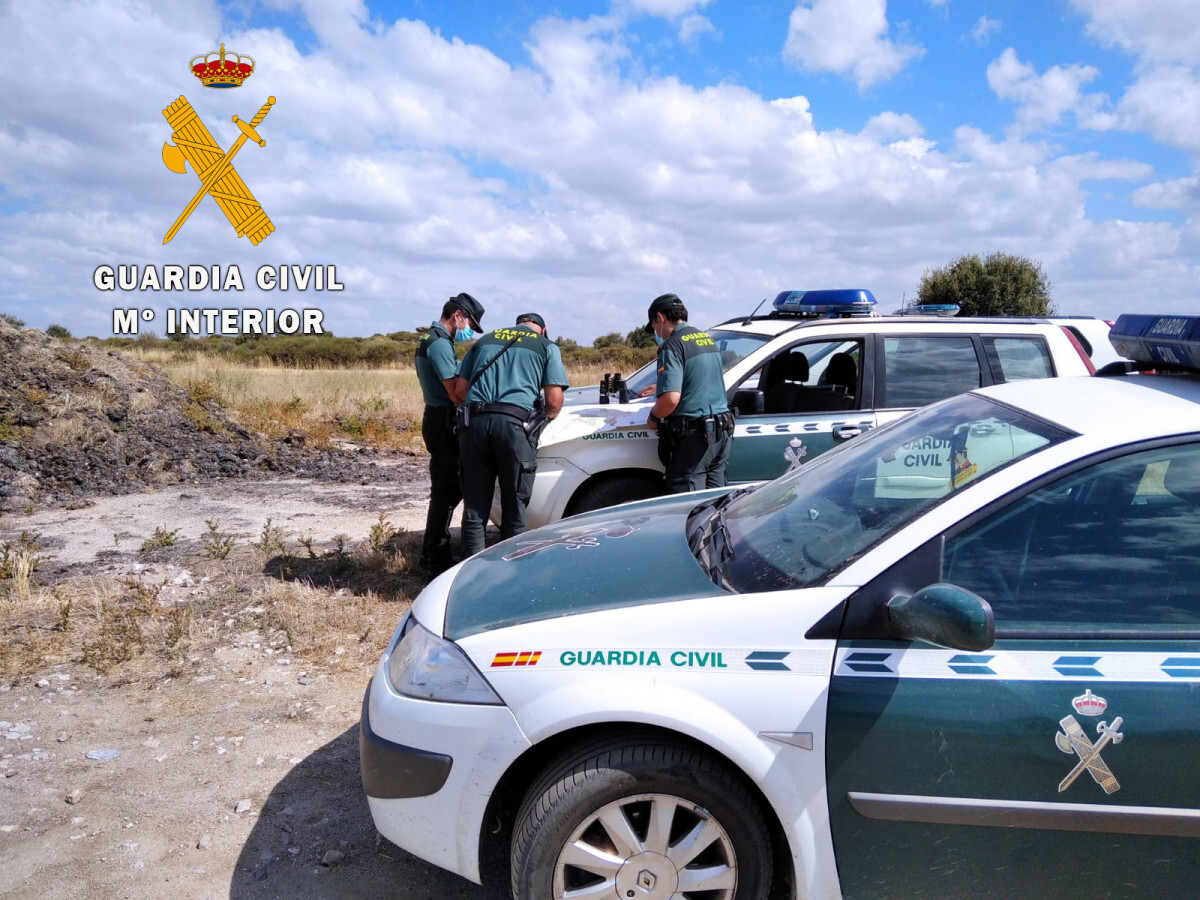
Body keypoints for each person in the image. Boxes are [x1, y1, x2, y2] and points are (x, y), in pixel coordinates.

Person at [454, 312, 568, 557]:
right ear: (543, 330)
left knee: (474, 509)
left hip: (474, 424)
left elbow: (461, 390)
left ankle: (471, 570)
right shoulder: (546, 346)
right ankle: (512, 569)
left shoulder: (485, 340)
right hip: (514, 427)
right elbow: (554, 402)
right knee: (514, 506)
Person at [414, 292, 485, 576]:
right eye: (470, 324)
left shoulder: (431, 338)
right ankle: (435, 558)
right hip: (443, 422)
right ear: (458, 316)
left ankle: (431, 552)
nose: (470, 331)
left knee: (447, 491)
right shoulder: (440, 343)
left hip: (437, 419)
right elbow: (455, 394)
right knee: (445, 493)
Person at [644, 293, 734, 493]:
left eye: (654, 326)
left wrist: (653, 418)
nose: (656, 332)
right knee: (715, 500)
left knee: (688, 503)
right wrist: (661, 386)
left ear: (660, 318)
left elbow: (671, 399)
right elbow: (701, 378)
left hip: (695, 437)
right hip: (721, 432)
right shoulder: (706, 339)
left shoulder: (672, 345)